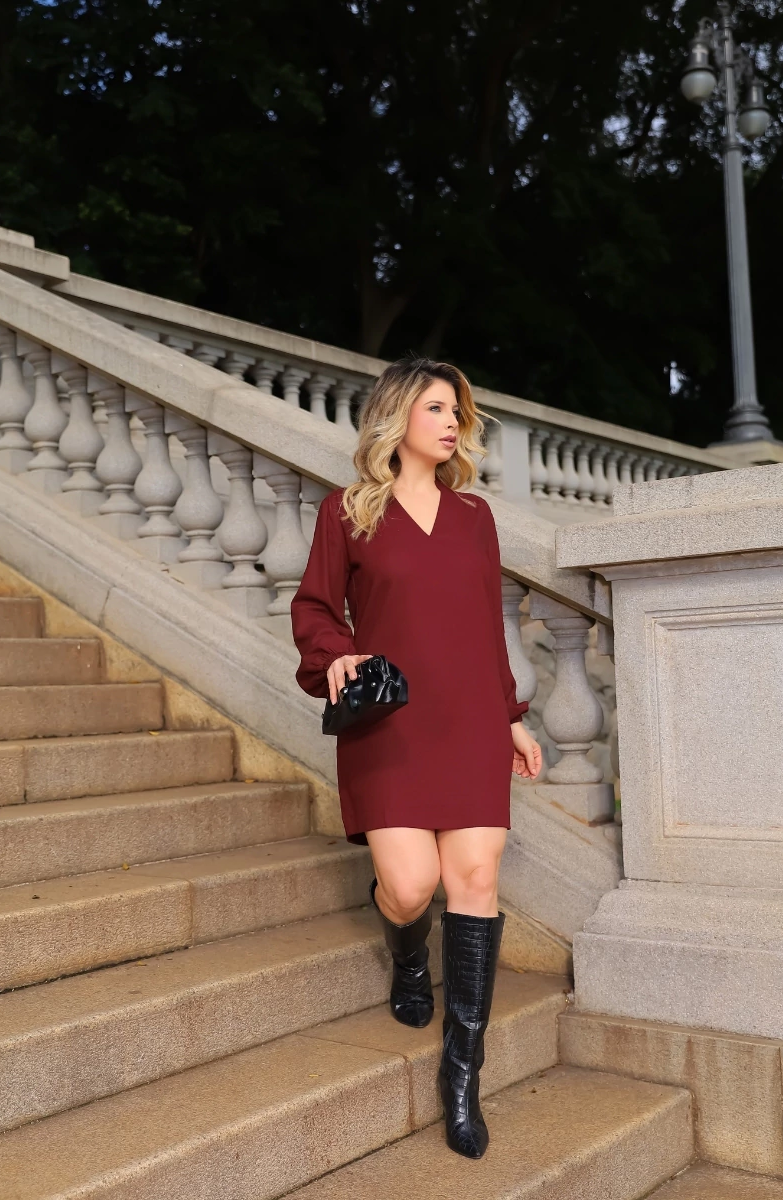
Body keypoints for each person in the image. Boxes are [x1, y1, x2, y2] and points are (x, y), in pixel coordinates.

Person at [290, 356, 542, 1159]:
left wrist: (510, 717)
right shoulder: (347, 513)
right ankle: (407, 955)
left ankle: (461, 1077)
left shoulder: (474, 517)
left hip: (470, 721)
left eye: (457, 412)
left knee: (474, 883)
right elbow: (315, 608)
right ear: (397, 417)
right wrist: (335, 654)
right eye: (436, 408)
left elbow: (486, 627)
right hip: (391, 724)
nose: (452, 423)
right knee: (409, 887)